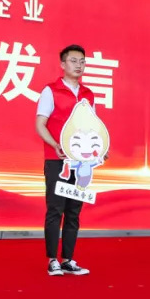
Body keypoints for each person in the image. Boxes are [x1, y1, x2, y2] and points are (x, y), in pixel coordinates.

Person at [35, 44, 94, 276]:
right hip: (57, 160)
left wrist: (99, 150)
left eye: (82, 61)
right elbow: (40, 124)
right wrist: (55, 145)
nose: (79, 65)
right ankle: (52, 260)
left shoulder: (88, 94)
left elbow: (93, 127)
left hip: (81, 163)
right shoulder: (51, 91)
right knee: (55, 209)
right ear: (62, 64)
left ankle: (68, 259)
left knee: (73, 211)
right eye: (73, 61)